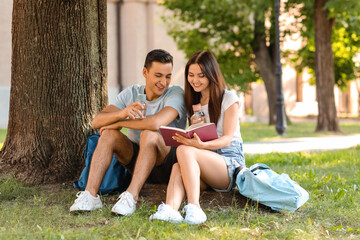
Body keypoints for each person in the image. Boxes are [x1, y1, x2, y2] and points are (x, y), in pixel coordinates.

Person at [70, 49, 187, 216]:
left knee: (149, 133)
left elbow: (155, 123)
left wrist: (118, 122)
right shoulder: (132, 93)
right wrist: (122, 112)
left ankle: (131, 197)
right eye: (158, 75)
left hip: (167, 163)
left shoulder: (175, 93)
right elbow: (97, 121)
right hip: (137, 161)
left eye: (168, 76)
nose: (164, 82)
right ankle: (90, 196)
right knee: (109, 134)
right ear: (145, 72)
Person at [149, 50, 245, 224]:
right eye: (191, 75)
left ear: (211, 75)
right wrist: (193, 127)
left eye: (201, 75)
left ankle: (195, 208)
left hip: (228, 162)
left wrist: (198, 145)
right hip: (205, 163)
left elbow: (227, 139)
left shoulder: (229, 98)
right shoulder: (195, 102)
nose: (195, 80)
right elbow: (199, 140)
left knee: (186, 150)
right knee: (178, 167)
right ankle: (170, 209)